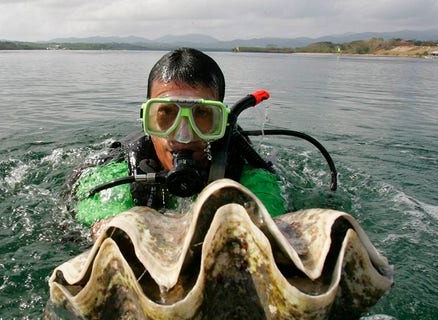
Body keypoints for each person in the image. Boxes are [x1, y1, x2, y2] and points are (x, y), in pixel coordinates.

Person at [66, 48, 285, 226]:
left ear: (222, 123)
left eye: (201, 114)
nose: (184, 135)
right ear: (147, 119)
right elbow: (102, 226)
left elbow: (268, 226)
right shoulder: (115, 176)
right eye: (167, 113)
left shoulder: (252, 179)